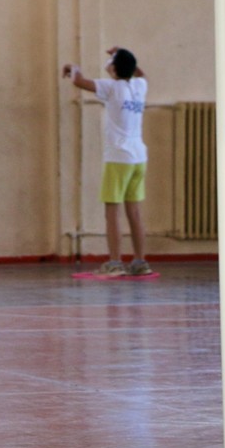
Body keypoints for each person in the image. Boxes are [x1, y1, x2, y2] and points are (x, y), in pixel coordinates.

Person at [62, 47, 151, 276]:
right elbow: (141, 73)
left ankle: (114, 262)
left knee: (112, 211)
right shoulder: (140, 86)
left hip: (118, 157)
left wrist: (73, 69)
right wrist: (125, 53)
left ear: (113, 68)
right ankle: (140, 261)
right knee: (135, 212)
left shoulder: (111, 88)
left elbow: (79, 82)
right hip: (139, 157)